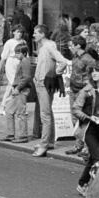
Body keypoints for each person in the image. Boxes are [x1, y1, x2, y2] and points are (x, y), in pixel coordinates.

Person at [32, 24, 72, 157]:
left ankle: (44, 145)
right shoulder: (44, 46)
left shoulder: (48, 46)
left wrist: (55, 73)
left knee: (45, 115)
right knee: (48, 112)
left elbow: (63, 61)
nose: (34, 35)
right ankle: (49, 142)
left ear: (42, 34)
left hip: (44, 84)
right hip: (41, 83)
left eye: (36, 33)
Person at [74, 63, 99, 196]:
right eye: (93, 72)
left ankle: (82, 183)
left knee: (92, 160)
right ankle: (95, 190)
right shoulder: (87, 90)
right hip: (90, 129)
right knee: (98, 159)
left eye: (97, 71)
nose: (94, 74)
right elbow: (75, 109)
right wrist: (89, 117)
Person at [0, 43, 33, 144]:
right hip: (17, 89)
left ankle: (23, 135)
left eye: (18, 53)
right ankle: (10, 134)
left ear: (24, 53)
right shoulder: (22, 61)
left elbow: (27, 77)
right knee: (9, 111)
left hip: (21, 90)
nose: (16, 55)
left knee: (20, 113)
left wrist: (18, 88)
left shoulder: (25, 62)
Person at [0, 26, 27, 115]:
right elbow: (3, 57)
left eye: (21, 32)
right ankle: (5, 107)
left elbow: (26, 55)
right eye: (17, 32)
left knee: (15, 85)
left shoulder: (23, 42)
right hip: (11, 63)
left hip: (20, 64)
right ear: (13, 32)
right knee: (13, 84)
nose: (19, 34)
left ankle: (14, 107)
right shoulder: (9, 42)